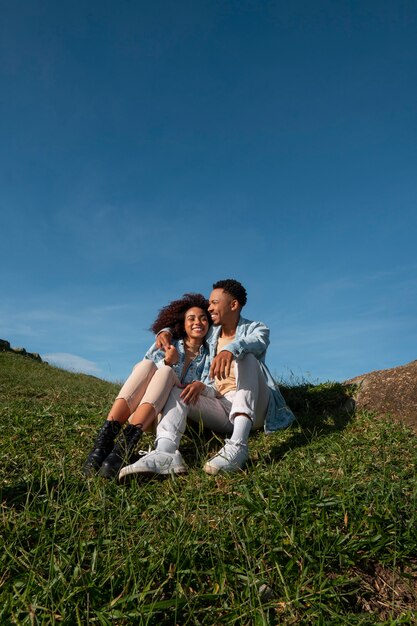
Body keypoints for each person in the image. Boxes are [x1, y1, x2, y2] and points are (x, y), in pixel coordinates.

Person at [119, 279, 294, 479]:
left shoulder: (256, 328)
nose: (209, 307)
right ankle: (165, 453)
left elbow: (257, 342)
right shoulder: (211, 334)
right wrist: (165, 331)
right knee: (180, 392)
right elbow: (184, 325)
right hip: (221, 404)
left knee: (246, 357)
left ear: (233, 305)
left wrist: (231, 349)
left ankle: (238, 445)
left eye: (214, 302)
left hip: (255, 406)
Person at [83, 293, 214, 478]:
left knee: (167, 372)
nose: (197, 322)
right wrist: (167, 362)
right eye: (191, 318)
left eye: (203, 319)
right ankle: (104, 444)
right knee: (147, 365)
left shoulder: (210, 354)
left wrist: (173, 370)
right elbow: (142, 374)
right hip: (146, 412)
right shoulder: (168, 342)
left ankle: (122, 448)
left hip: (176, 415)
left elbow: (211, 385)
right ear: (182, 324)